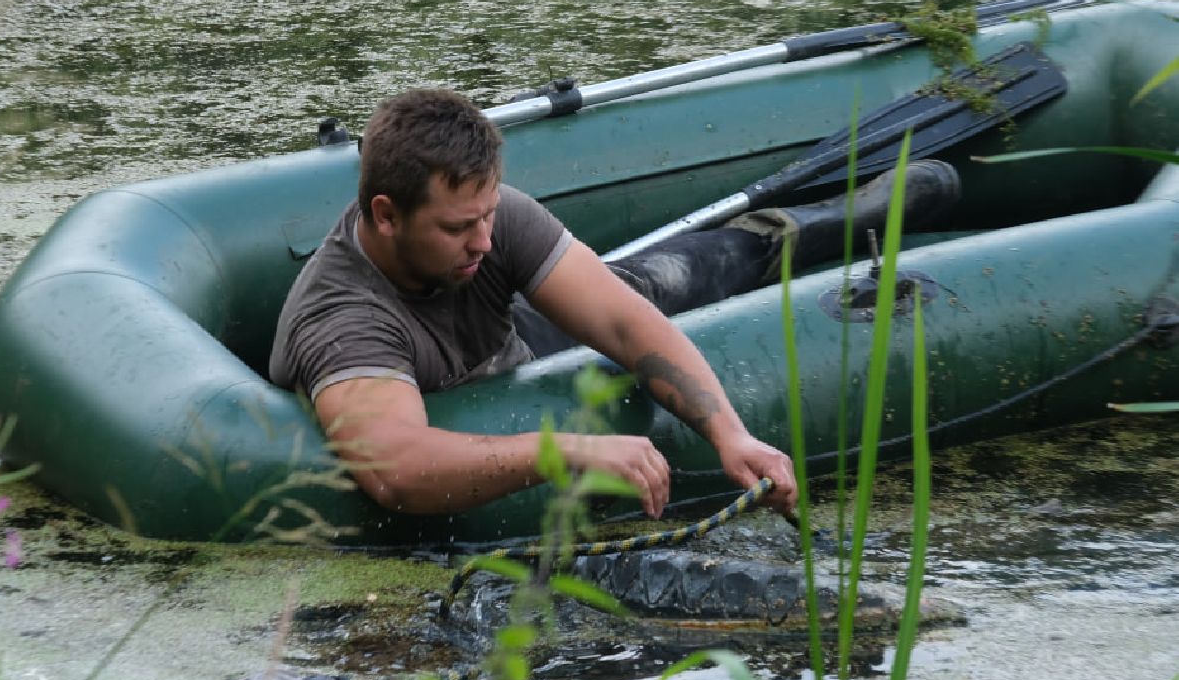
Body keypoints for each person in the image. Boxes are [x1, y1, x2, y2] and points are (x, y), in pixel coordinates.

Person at [269, 88, 959, 520]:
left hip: (514, 344)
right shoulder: (342, 317)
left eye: (487, 216)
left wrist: (729, 433)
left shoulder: (490, 219)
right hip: (482, 372)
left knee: (648, 285)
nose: (484, 239)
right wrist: (569, 450)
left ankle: (804, 228)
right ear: (385, 217)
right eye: (457, 228)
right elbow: (396, 470)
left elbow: (628, 326)